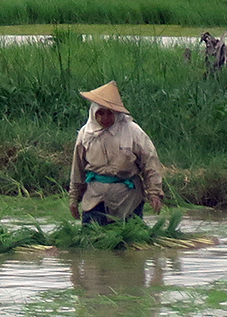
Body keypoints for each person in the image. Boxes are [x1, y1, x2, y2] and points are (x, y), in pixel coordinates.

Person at [68, 81, 164, 224]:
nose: (105, 118)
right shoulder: (86, 134)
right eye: (100, 113)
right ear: (94, 113)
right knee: (93, 240)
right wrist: (74, 198)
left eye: (109, 113)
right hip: (95, 198)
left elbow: (150, 162)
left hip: (128, 199)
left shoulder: (133, 132)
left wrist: (154, 193)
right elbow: (78, 169)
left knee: (130, 240)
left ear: (116, 113)